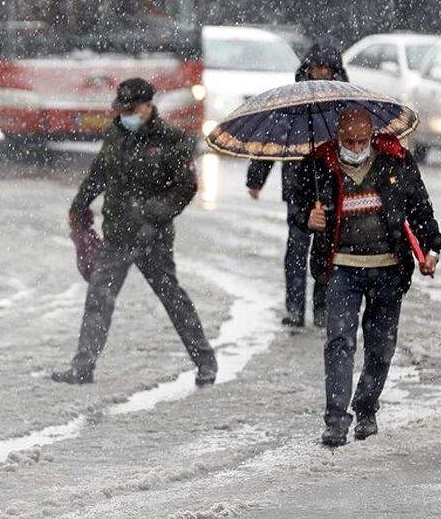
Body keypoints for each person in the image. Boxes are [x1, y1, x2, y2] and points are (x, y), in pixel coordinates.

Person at [291, 107, 441, 447]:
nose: (356, 147)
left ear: (372, 135)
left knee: (381, 348)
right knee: (339, 342)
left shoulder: (396, 160)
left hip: (389, 269)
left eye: (362, 140)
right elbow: (296, 206)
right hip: (341, 268)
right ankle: (335, 420)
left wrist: (432, 248)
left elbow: (419, 207)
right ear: (337, 137)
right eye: (349, 141)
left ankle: (366, 407)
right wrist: (307, 218)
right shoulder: (319, 165)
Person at [52, 77, 218, 386]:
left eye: (131, 109)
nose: (125, 115)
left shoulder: (172, 140)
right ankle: (82, 366)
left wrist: (151, 215)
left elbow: (185, 187)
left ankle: (205, 361)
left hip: (152, 238)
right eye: (122, 109)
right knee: (98, 299)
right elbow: (98, 173)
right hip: (116, 235)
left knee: (173, 299)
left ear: (148, 106)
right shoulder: (116, 133)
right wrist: (79, 206)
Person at [246, 43, 349, 328]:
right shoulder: (291, 105)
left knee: (326, 252)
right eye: (317, 67)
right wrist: (256, 178)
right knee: (296, 249)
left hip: (332, 187)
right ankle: (294, 308)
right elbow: (272, 141)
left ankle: (321, 308)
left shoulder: (344, 105)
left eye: (327, 69)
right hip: (297, 187)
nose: (322, 73)